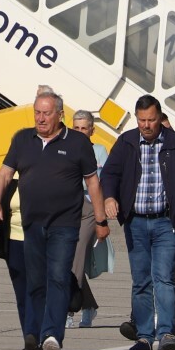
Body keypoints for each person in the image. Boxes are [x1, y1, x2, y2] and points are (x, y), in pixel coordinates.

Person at [0, 89, 110, 350]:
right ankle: (41, 336)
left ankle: (53, 336)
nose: (40, 119)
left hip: (65, 225)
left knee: (57, 277)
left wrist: (101, 220)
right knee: (35, 282)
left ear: (60, 115)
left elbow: (93, 183)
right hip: (32, 225)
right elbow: (5, 174)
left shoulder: (78, 143)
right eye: (37, 113)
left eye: (46, 113)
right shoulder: (22, 139)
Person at [100, 95, 175, 350]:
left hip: (167, 223)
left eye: (151, 120)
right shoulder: (126, 142)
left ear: (160, 118)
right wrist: (110, 197)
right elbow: (110, 174)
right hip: (135, 221)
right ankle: (144, 337)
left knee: (165, 279)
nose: (146, 125)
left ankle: (167, 332)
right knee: (141, 281)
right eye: (142, 120)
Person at [0, 175, 37, 350]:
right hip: (14, 241)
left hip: (40, 240)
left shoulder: (43, 171)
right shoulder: (10, 175)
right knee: (22, 291)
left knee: (37, 288)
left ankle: (39, 334)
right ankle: (29, 336)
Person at [68, 110, 108, 330]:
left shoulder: (99, 152)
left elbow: (103, 182)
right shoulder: (64, 149)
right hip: (68, 207)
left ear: (92, 130)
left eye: (85, 128)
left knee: (76, 256)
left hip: (90, 208)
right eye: (77, 128)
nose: (81, 132)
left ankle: (68, 309)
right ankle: (89, 305)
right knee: (67, 259)